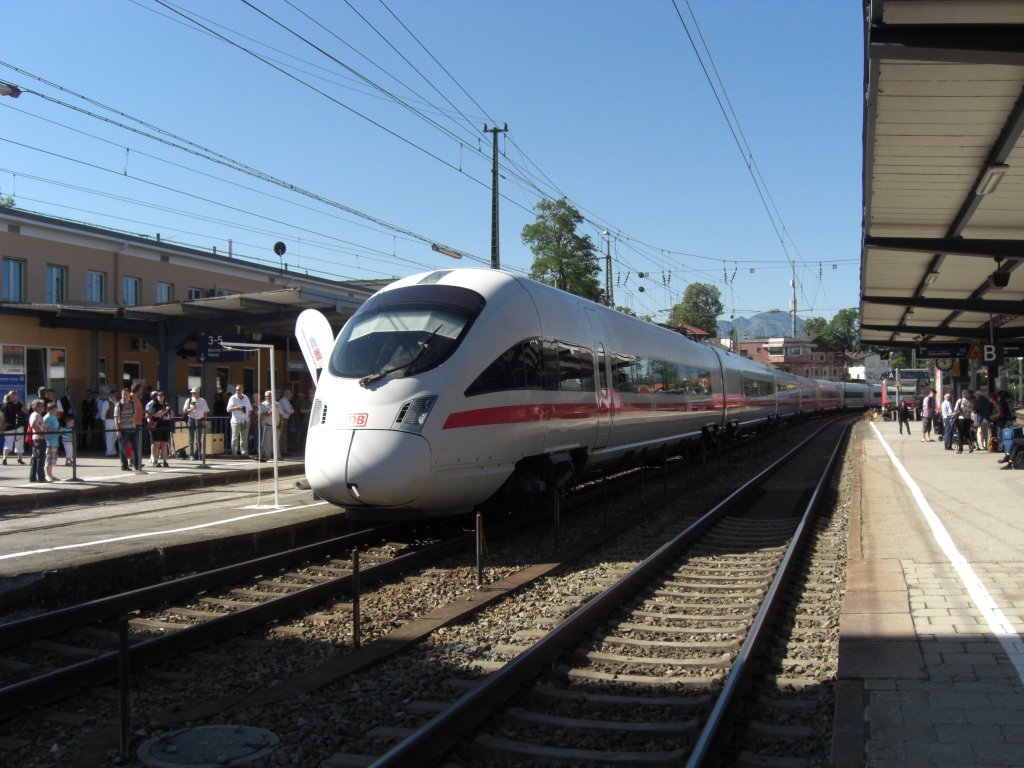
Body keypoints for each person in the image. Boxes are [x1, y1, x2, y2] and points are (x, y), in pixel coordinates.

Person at [114, 386, 139, 472]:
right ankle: (124, 466)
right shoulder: (118, 404)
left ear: (129, 395)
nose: (125, 396)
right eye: (123, 394)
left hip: (132, 429)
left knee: (135, 448)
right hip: (123, 430)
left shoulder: (132, 403)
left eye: (126, 395)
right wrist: (117, 430)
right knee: (123, 448)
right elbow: (116, 418)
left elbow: (134, 414)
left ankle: (137, 465)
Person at [182, 387, 210, 460]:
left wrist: (204, 421)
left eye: (194, 393)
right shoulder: (189, 400)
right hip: (191, 419)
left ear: (198, 393)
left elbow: (205, 412)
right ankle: (191, 455)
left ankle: (198, 454)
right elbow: (185, 410)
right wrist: (192, 409)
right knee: (191, 439)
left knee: (199, 438)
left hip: (199, 420)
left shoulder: (203, 401)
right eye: (192, 393)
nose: (193, 394)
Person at [148, 391, 174, 467]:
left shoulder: (166, 405)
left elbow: (172, 414)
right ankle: (155, 461)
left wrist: (170, 412)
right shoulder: (154, 405)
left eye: (162, 396)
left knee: (164, 444)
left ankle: (165, 461)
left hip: (165, 425)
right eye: (159, 396)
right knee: (156, 443)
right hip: (157, 426)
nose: (160, 397)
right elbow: (155, 414)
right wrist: (165, 410)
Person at [2, 390, 26, 465]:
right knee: (19, 443)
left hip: (7, 427)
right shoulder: (17, 404)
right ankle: (19, 459)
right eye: (16, 395)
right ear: (14, 396)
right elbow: (25, 411)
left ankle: (4, 458)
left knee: (7, 443)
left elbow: (1, 417)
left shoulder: (3, 405)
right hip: (17, 426)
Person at [227, 385, 252, 457]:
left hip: (245, 420)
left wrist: (248, 418)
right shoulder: (233, 398)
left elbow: (250, 409)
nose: (237, 391)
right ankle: (234, 453)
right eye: (236, 390)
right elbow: (228, 409)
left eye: (238, 390)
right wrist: (237, 408)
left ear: (242, 390)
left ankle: (244, 453)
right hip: (236, 421)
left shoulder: (246, 398)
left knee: (244, 438)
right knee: (235, 437)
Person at [27, 399, 47, 483]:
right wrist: (40, 432)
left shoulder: (38, 415)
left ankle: (32, 477)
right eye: (42, 406)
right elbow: (33, 425)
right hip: (39, 439)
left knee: (35, 458)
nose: (43, 407)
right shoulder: (35, 415)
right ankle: (41, 477)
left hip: (38, 438)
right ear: (37, 407)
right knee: (40, 458)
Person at [257, 390, 278, 461]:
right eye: (266, 396)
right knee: (267, 442)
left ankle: (276, 455)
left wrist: (281, 423)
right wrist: (267, 413)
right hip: (267, 426)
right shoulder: (262, 405)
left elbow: (281, 415)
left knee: (275, 442)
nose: (267, 398)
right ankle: (267, 456)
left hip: (276, 426)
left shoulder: (277, 404)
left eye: (269, 396)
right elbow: (259, 416)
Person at [96, 388, 117, 456]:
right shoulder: (107, 402)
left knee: (114, 436)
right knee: (109, 436)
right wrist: (103, 420)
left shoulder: (115, 401)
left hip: (115, 420)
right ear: (111, 394)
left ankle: (112, 450)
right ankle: (109, 451)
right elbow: (103, 413)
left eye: (115, 394)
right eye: (114, 394)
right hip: (108, 420)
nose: (115, 395)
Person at [43, 402, 60, 481]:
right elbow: (45, 428)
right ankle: (47, 475)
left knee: (53, 459)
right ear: (49, 410)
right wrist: (55, 432)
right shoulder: (47, 417)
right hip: (49, 440)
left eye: (56, 409)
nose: (55, 411)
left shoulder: (54, 417)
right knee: (48, 458)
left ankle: (50, 474)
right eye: (54, 409)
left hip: (54, 440)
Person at [954, 390, 974, 454]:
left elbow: (955, 409)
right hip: (968, 418)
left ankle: (960, 449)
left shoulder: (959, 401)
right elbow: (971, 410)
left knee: (960, 434)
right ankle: (970, 446)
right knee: (967, 433)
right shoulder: (969, 401)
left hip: (961, 418)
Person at [277, 389, 295, 456]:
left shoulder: (286, 401)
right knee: (282, 436)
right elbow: (289, 410)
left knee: (284, 435)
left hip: (286, 419)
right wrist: (291, 411)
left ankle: (284, 450)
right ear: (288, 395)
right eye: (290, 395)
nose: (291, 397)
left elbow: (291, 409)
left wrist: (291, 410)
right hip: (283, 419)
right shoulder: (283, 401)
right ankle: (282, 450)